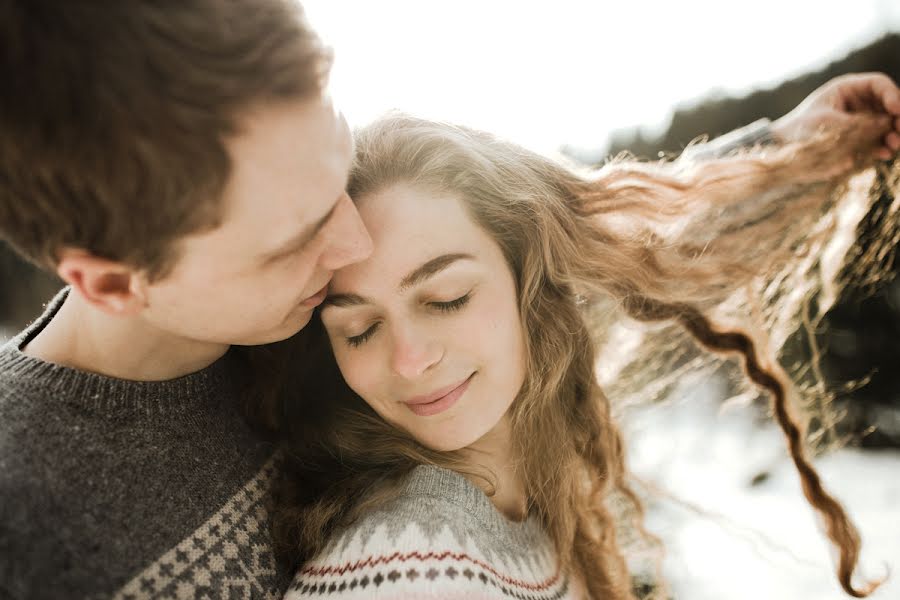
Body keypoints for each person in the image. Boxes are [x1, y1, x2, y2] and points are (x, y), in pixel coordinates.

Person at [0, 0, 898, 594]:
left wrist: (784, 148)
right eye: (298, 234)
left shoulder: (292, 306)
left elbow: (529, 251)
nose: (350, 246)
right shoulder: (31, 529)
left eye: (337, 175)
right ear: (115, 280)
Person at [271, 104, 898, 599]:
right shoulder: (412, 573)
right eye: (358, 330)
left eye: (448, 298)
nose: (409, 360)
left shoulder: (503, 490)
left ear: (532, 284)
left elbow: (650, 243)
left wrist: (789, 142)